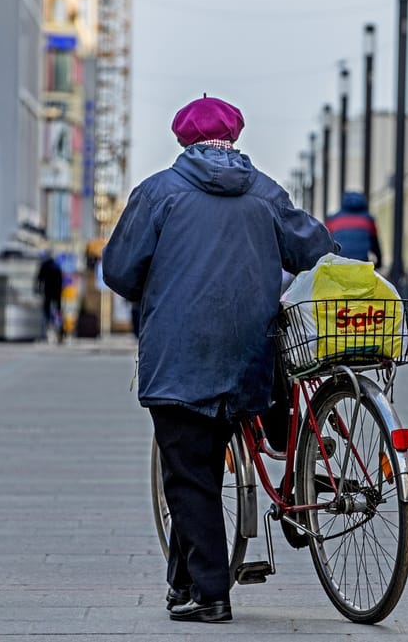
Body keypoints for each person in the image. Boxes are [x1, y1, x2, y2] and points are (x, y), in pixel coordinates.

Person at [101, 94, 334, 624]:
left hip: (180, 353)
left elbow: (119, 272)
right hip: (251, 353)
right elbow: (314, 248)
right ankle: (182, 581)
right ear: (235, 136)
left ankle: (209, 593)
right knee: (203, 465)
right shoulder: (266, 192)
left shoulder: (158, 193)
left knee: (188, 473)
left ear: (184, 138)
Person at [325, 191, 383, 269]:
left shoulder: (332, 219)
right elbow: (375, 244)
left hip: (339, 263)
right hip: (361, 263)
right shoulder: (368, 219)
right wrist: (379, 263)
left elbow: (326, 244)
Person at [34, 253, 64, 341]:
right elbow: (61, 281)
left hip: (48, 292)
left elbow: (39, 279)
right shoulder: (57, 266)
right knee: (58, 311)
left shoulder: (44, 266)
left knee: (46, 310)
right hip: (57, 293)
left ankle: (47, 327)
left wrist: (37, 289)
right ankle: (59, 330)